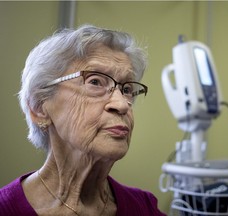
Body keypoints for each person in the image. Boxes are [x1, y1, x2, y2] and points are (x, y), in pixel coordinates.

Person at [0, 24, 166, 216]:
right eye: (95, 82)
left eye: (127, 89)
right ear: (39, 108)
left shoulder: (144, 208)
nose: (122, 105)